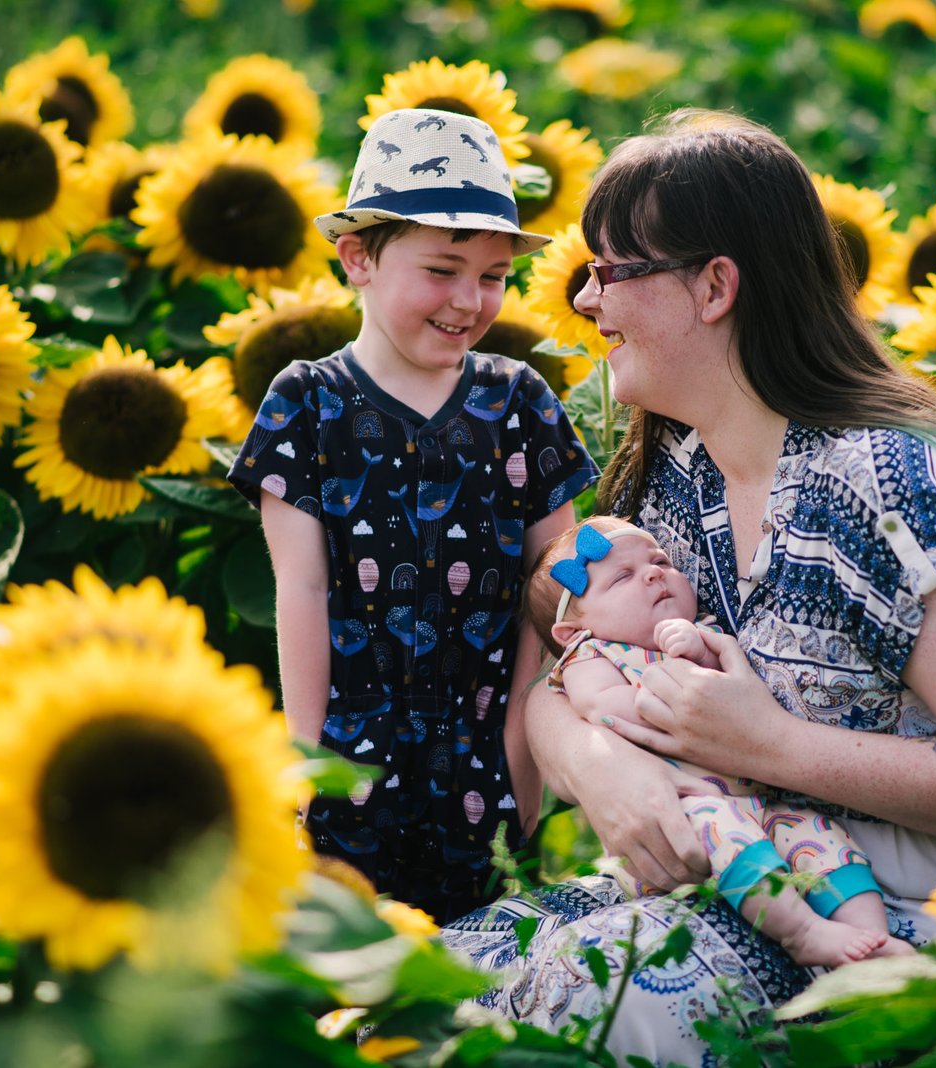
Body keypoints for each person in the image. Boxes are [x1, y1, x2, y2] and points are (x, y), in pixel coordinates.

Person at [439, 110, 936, 1061]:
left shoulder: (892, 489)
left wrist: (777, 747)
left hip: (917, 935)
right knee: (437, 986)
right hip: (739, 882)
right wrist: (604, 770)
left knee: (576, 1009)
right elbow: (564, 653)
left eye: (609, 272)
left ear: (715, 286)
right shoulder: (675, 476)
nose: (587, 303)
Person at [228, 108, 598, 921]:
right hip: (355, 748)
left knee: (479, 971)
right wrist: (307, 756)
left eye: (495, 275)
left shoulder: (519, 402)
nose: (471, 300)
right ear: (357, 257)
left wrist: (525, 742)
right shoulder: (307, 403)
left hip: (485, 742)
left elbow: (558, 584)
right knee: (356, 966)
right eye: (443, 269)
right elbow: (303, 590)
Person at [528, 515, 912, 967]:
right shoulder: (591, 655)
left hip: (763, 803)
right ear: (573, 632)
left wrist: (701, 652)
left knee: (817, 833)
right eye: (623, 577)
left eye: (659, 561)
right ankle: (802, 933)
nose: (655, 573)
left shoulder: (704, 629)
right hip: (683, 818)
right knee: (718, 827)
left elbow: (738, 687)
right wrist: (679, 687)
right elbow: (601, 706)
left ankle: (869, 935)